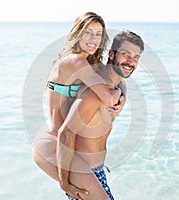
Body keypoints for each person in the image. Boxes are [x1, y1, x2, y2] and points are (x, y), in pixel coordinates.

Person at [32, 12, 125, 200]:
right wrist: (117, 95)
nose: (94, 39)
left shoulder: (87, 63)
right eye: (88, 33)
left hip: (69, 147)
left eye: (98, 34)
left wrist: (123, 94)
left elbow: (116, 77)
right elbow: (108, 96)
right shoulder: (76, 61)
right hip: (54, 143)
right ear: (78, 33)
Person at [57, 31, 144, 200]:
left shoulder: (115, 85)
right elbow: (65, 133)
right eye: (125, 54)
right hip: (84, 173)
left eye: (136, 57)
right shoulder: (96, 92)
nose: (131, 61)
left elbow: (120, 83)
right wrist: (65, 183)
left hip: (97, 170)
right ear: (111, 54)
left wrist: (122, 94)